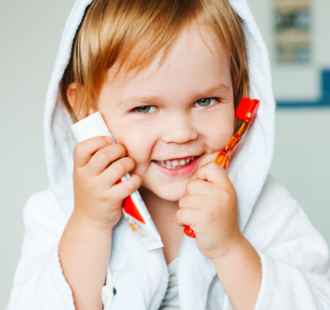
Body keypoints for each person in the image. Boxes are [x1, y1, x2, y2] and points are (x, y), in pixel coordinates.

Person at [5, 0, 330, 309]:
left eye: (205, 101)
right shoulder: (56, 213)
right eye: (144, 107)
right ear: (86, 110)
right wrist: (89, 224)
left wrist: (230, 247)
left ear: (239, 93)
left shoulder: (267, 206)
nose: (180, 133)